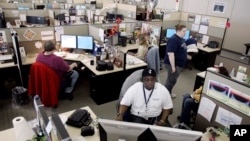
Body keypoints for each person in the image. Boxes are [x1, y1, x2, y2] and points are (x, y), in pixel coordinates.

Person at [164, 24, 189, 98]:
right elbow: (170, 54)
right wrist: (173, 67)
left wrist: (186, 56)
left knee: (173, 80)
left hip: (179, 64)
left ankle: (168, 93)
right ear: (178, 31)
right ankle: (165, 96)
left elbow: (181, 49)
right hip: (174, 64)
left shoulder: (181, 38)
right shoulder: (173, 39)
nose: (185, 33)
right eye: (183, 31)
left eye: (185, 31)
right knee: (170, 81)